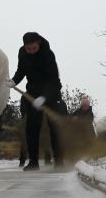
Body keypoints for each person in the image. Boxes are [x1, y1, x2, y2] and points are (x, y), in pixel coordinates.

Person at [6, 32, 65, 170]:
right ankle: (33, 162)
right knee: (32, 128)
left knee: (54, 127)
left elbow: (53, 79)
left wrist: (44, 97)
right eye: (28, 49)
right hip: (32, 93)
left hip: (51, 93)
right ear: (24, 46)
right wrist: (14, 80)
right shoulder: (22, 52)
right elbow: (21, 70)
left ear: (38, 43)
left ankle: (59, 161)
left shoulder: (48, 54)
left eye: (34, 48)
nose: (31, 51)